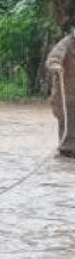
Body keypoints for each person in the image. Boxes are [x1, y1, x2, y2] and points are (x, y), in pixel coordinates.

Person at [43, 23, 75, 158]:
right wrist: (56, 66)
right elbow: (53, 58)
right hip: (66, 94)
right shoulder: (66, 44)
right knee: (68, 122)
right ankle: (67, 149)